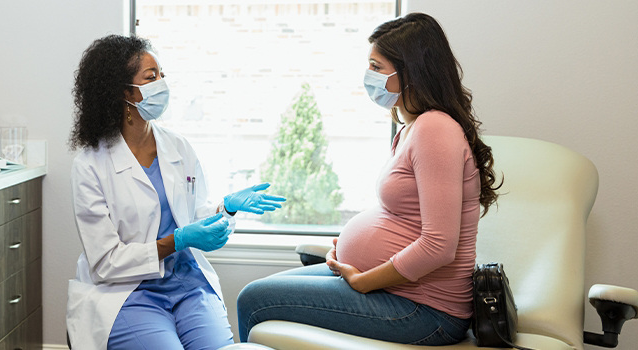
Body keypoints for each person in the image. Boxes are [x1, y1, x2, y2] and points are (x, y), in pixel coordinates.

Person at [236, 12, 501, 346]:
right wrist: (350, 250)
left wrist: (364, 280)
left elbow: (439, 246)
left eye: (377, 67)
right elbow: (404, 217)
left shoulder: (435, 129)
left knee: (254, 300)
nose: (369, 76)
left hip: (426, 310)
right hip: (397, 291)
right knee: (256, 293)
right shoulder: (411, 128)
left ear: (410, 73)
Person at [65, 34, 286, 350]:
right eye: (151, 77)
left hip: (188, 285)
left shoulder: (177, 146)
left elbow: (194, 217)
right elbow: (105, 262)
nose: (162, 84)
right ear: (123, 92)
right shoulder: (91, 165)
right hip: (129, 292)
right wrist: (176, 241)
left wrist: (226, 210)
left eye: (162, 75)